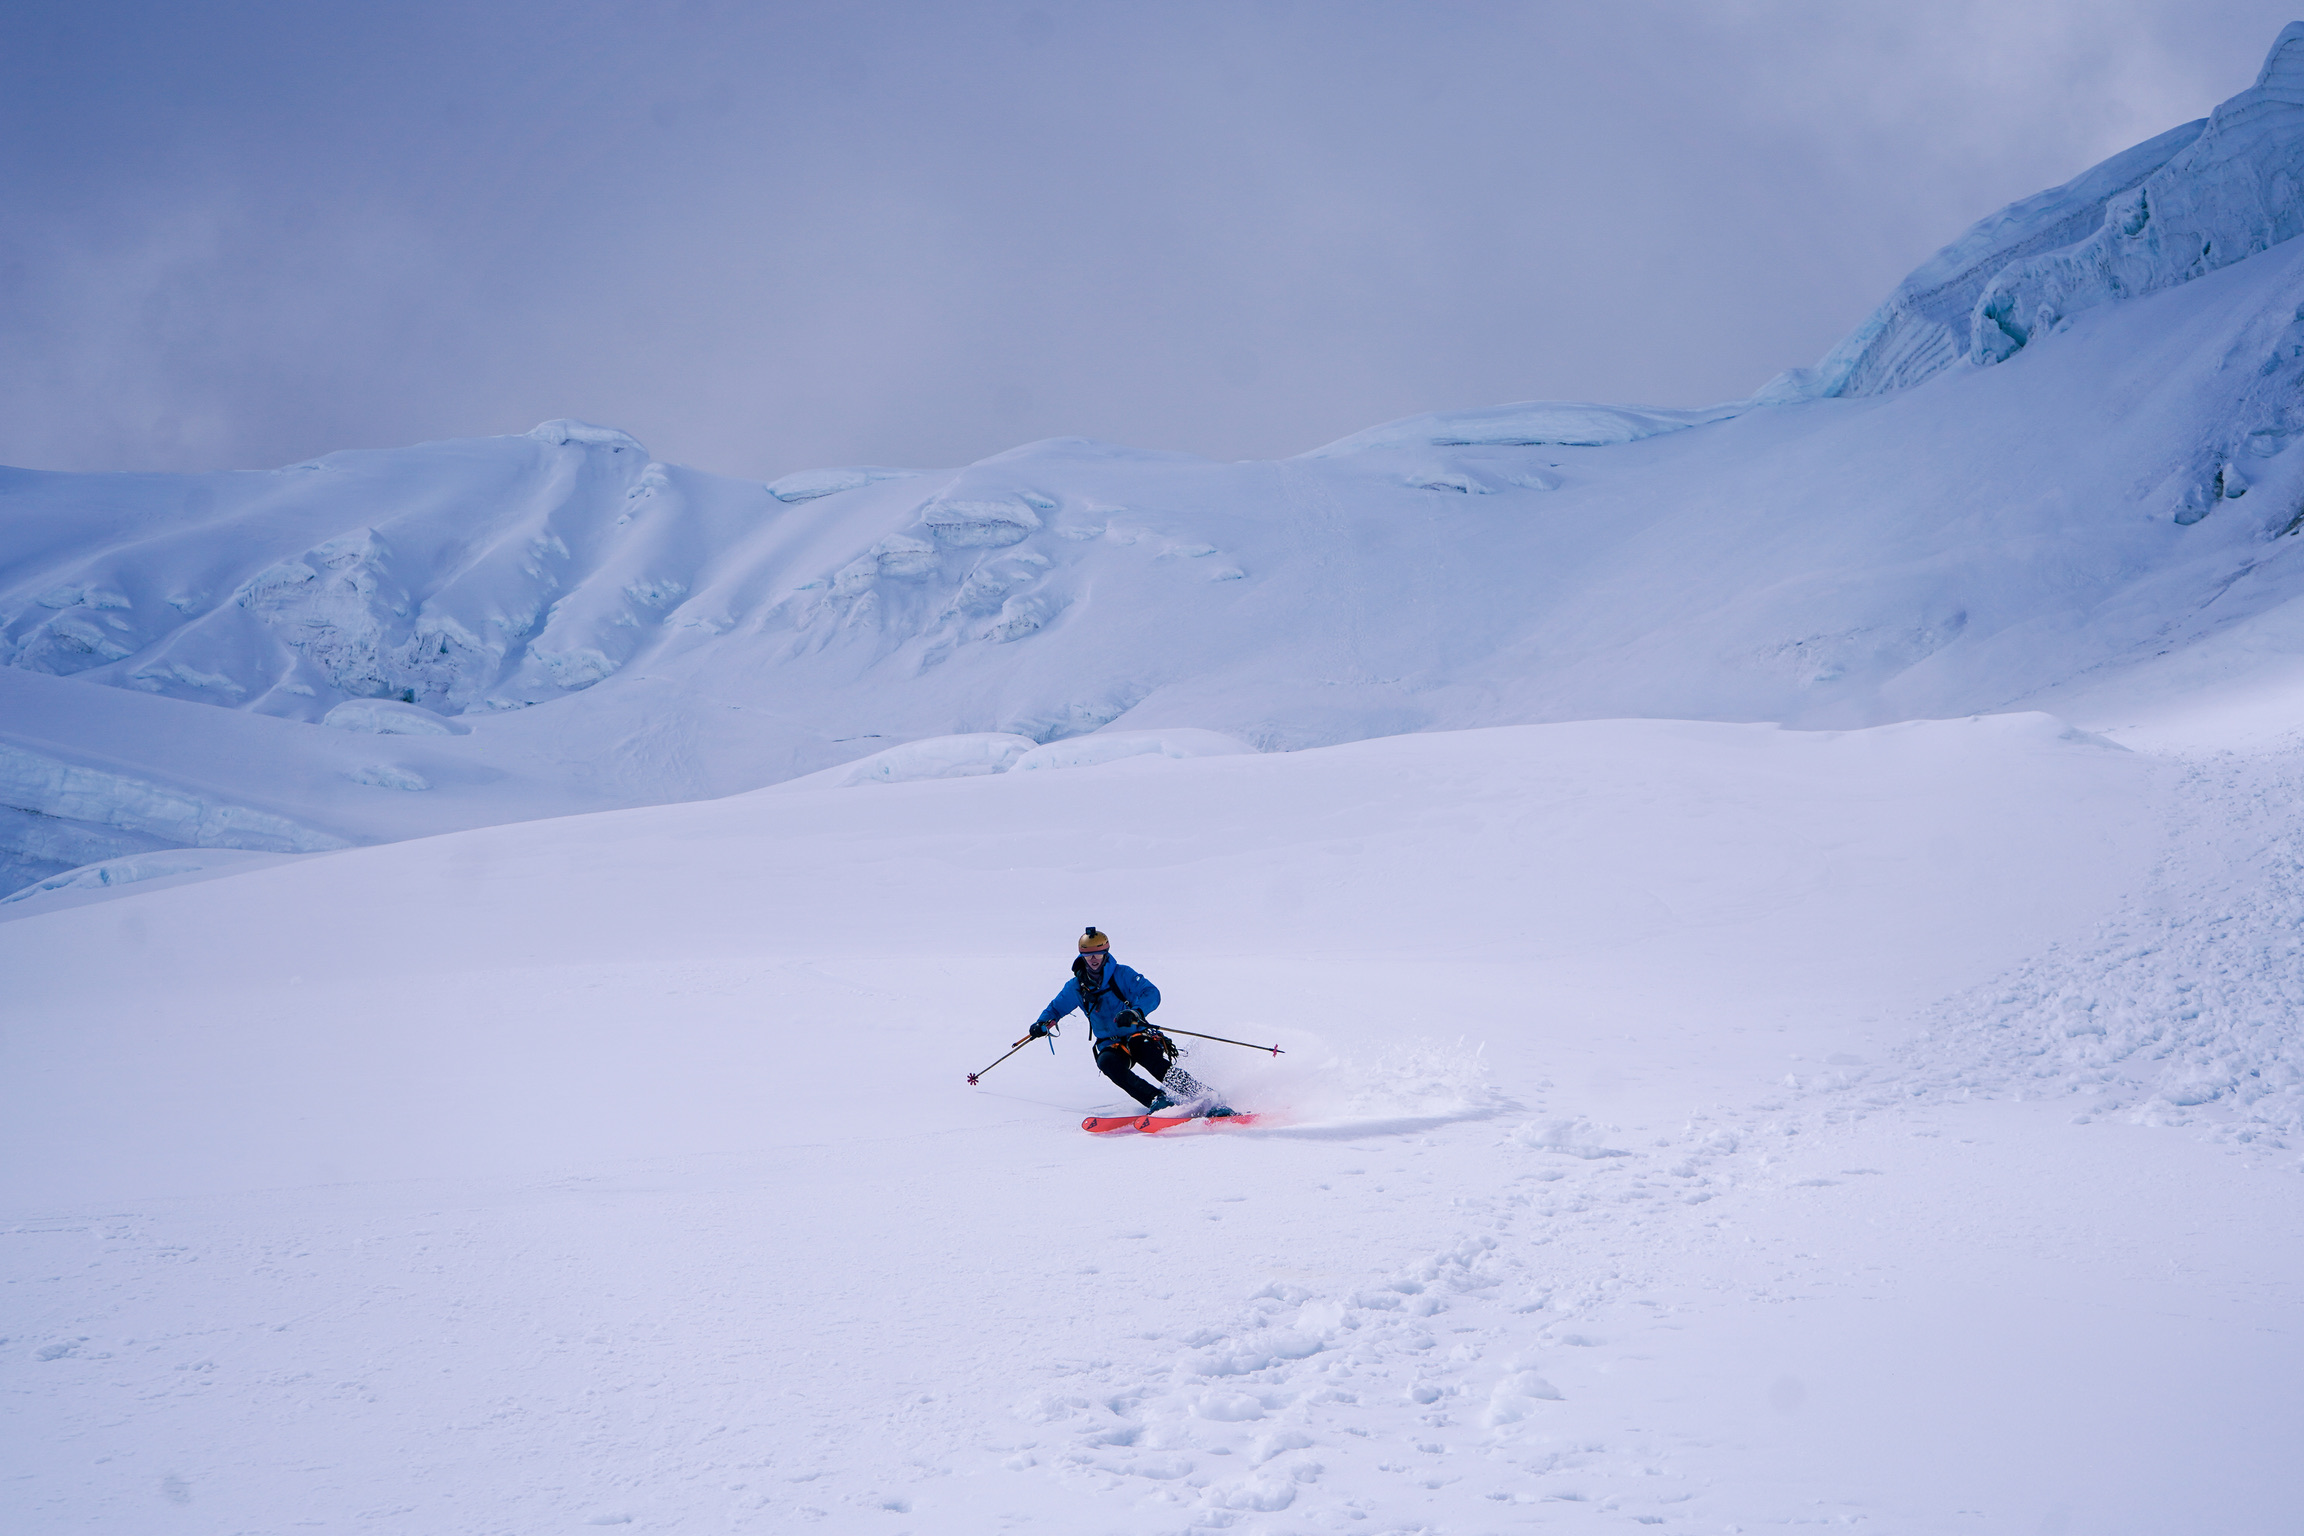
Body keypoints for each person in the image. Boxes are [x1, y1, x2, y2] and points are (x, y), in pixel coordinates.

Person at [1030, 926, 1225, 1113]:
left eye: (1098, 954)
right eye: (1088, 955)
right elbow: (1056, 1008)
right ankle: (1158, 1101)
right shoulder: (1075, 987)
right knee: (1107, 1063)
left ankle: (1205, 1095)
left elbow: (1151, 993)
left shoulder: (1122, 974)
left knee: (1152, 1060)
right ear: (1082, 956)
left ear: (1106, 952)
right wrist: (1042, 1023)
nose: (1093, 959)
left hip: (1136, 1034)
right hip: (1109, 1044)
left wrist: (1135, 1012)